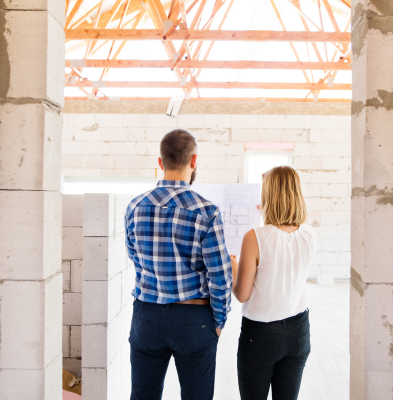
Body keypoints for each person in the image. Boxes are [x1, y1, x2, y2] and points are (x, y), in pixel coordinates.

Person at [124, 129, 233, 400]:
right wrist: (219, 320)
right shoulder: (207, 211)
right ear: (193, 161)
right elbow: (220, 276)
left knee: (142, 396)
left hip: (146, 316)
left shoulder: (135, 206)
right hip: (194, 318)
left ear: (161, 163)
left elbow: (134, 256)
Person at [230, 165, 316, 400]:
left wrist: (231, 264)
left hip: (261, 335)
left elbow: (242, 294)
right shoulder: (309, 235)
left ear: (270, 195)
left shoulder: (254, 237)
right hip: (299, 331)